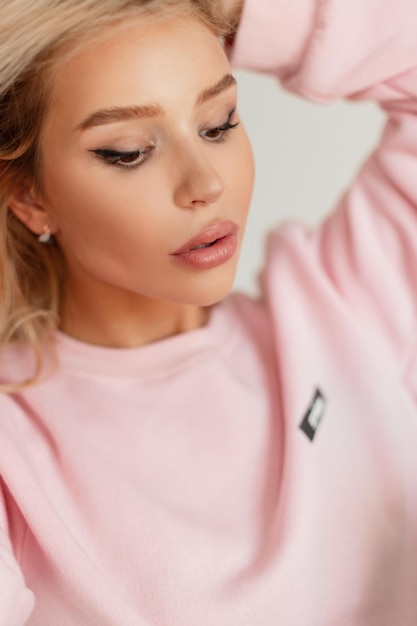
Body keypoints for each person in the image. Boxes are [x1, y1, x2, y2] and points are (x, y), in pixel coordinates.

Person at [1, 0, 417, 623]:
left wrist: (233, 7)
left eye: (219, 122)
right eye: (128, 152)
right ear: (30, 196)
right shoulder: (16, 449)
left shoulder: (345, 308)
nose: (205, 182)